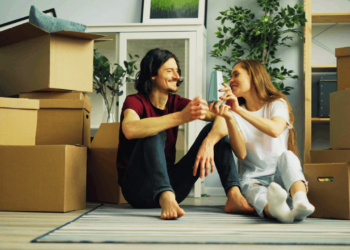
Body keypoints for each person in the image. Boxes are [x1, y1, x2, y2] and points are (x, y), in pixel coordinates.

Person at [116, 48, 255, 220]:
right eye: (169, 71)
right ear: (153, 74)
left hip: (174, 187)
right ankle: (165, 195)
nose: (176, 76)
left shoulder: (177, 102)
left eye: (177, 71)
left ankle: (234, 195)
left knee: (213, 131)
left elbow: (225, 118)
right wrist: (181, 117)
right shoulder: (135, 101)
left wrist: (209, 142)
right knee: (153, 130)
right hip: (137, 189)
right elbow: (130, 129)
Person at [209, 59, 315, 223]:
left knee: (288, 156)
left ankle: (300, 200)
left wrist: (238, 111)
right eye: (231, 76)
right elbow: (241, 153)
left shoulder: (276, 103)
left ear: (253, 76)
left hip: (282, 175)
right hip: (254, 179)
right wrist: (230, 117)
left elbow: (274, 130)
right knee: (257, 195)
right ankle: (277, 212)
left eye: (236, 74)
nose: (231, 80)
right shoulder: (236, 113)